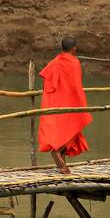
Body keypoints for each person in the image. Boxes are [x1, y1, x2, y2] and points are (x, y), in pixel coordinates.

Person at [38, 35, 92, 175]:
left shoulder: (55, 61)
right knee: (66, 130)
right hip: (69, 102)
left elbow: (47, 83)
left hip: (55, 102)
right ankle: (61, 165)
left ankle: (62, 164)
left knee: (63, 132)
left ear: (62, 48)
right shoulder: (74, 63)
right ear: (74, 49)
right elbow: (76, 86)